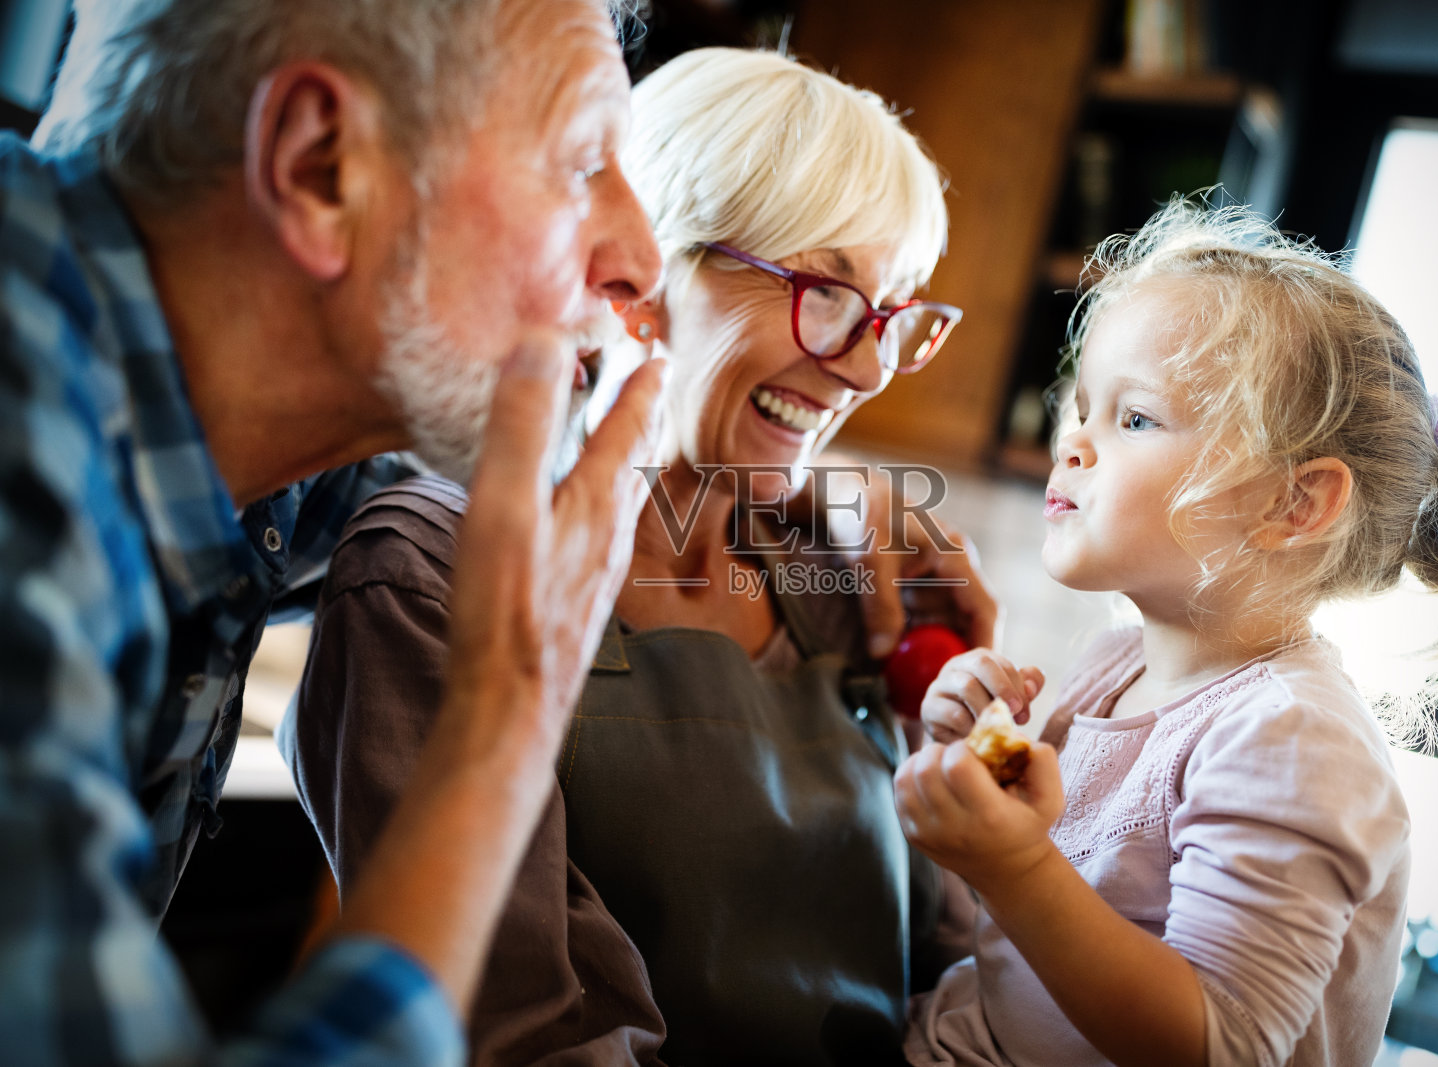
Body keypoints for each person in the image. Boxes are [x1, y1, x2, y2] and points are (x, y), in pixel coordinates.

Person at [286, 47, 995, 1066]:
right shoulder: (432, 574)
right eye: (825, 293)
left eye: (890, 314)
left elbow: (956, 958)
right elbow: (534, 1034)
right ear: (645, 281)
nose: (869, 365)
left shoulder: (846, 582)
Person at [1, 0, 671, 1062]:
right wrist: (502, 719)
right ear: (322, 167)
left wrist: (779, 527)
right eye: (582, 157)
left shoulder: (243, 449)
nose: (642, 257)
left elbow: (491, 507)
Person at [894, 201, 1438, 1067]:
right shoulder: (1113, 664)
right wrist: (974, 766)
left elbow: (1223, 1045)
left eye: (1133, 418)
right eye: (1081, 405)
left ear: (1297, 504)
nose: (1074, 442)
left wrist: (1016, 867)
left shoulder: (1294, 737)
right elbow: (1023, 945)